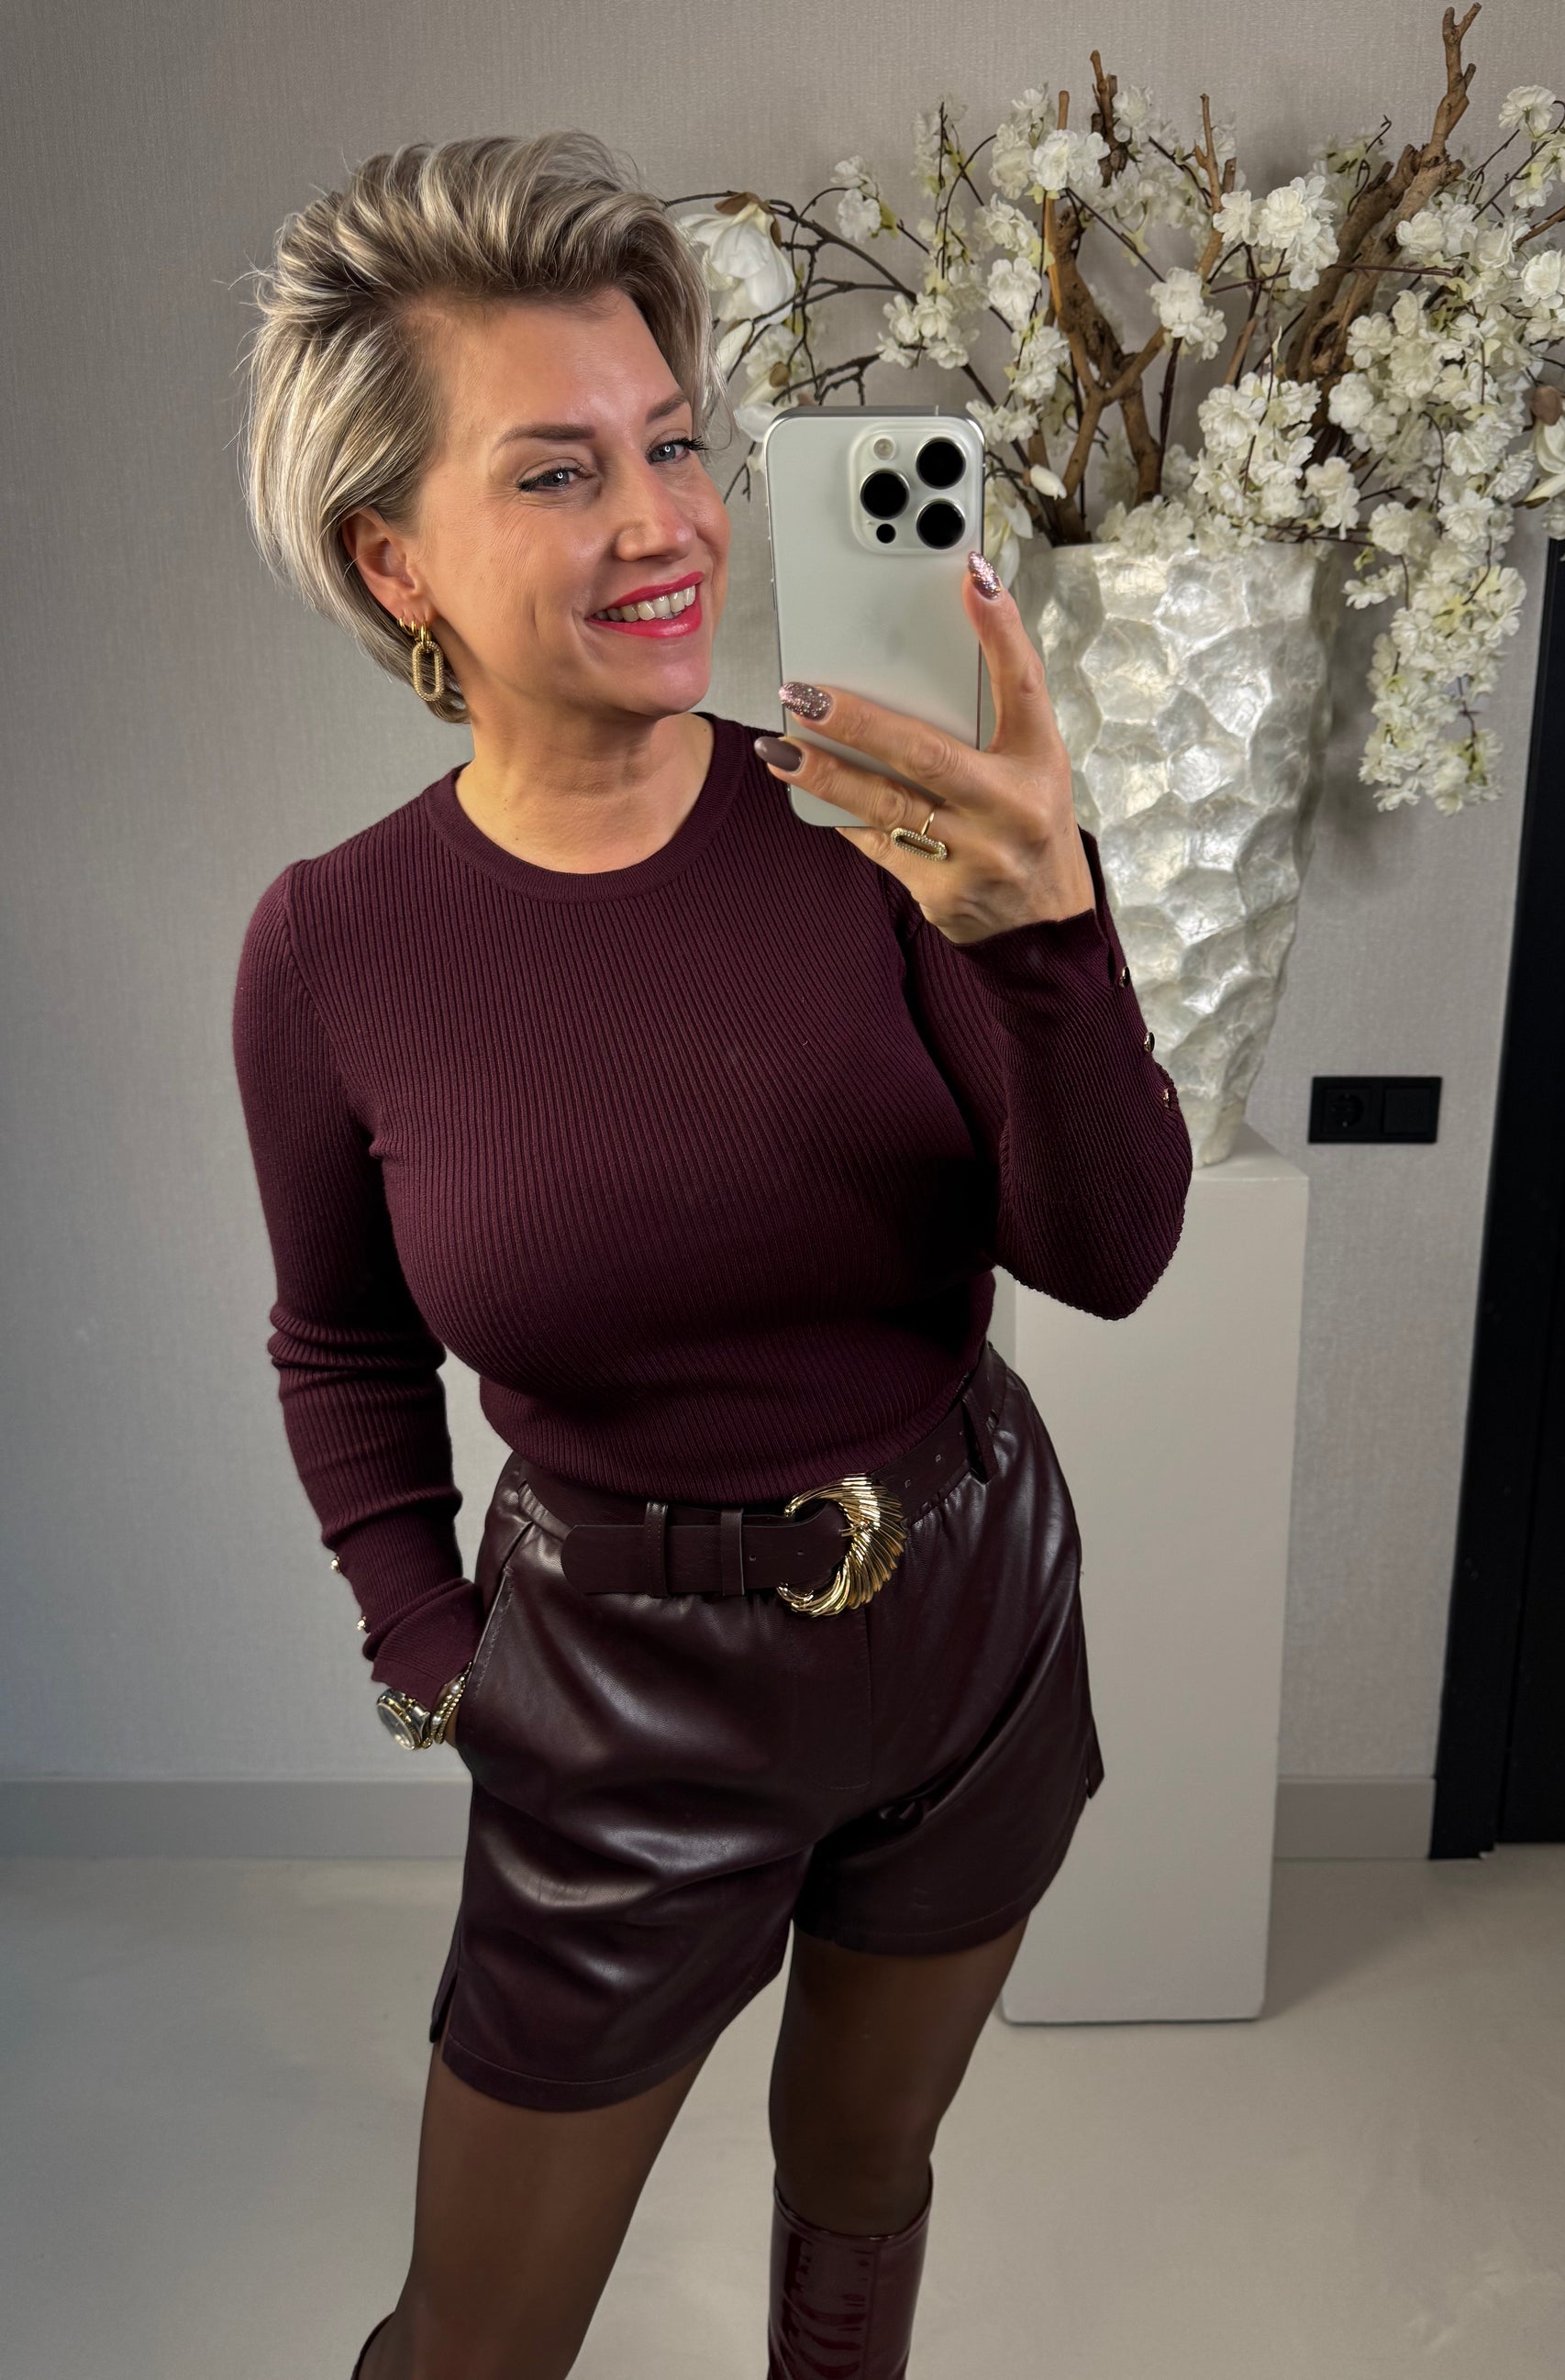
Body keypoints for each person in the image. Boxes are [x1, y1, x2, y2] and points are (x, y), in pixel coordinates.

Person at [230, 129, 1192, 2380]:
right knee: (475, 2338)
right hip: (616, 1692)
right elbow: (339, 1345)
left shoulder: (889, 828)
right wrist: (439, 1650)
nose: (664, 522)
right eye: (558, 472)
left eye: (674, 445)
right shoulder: (334, 945)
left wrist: (1048, 932)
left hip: (967, 1619)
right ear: (394, 558)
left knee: (861, 2187)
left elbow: (1111, 1252)